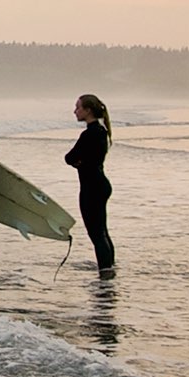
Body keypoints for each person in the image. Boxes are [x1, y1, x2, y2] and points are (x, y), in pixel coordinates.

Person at [64, 94, 114, 273]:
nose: (75, 111)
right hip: (99, 184)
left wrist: (79, 161)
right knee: (102, 232)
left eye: (78, 107)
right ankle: (109, 269)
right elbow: (76, 158)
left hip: (92, 187)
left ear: (88, 110)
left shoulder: (90, 133)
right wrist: (80, 161)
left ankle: (105, 274)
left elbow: (69, 157)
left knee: (97, 234)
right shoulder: (100, 131)